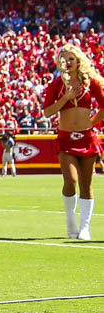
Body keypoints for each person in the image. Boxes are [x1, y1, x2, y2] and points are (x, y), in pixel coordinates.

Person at [41, 44, 104, 241]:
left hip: (87, 137)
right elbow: (47, 112)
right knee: (71, 180)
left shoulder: (91, 83)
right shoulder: (56, 85)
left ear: (78, 61)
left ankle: (85, 227)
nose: (67, 63)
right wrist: (66, 98)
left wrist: (90, 123)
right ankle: (71, 219)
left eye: (71, 59)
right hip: (66, 138)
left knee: (87, 184)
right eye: (64, 59)